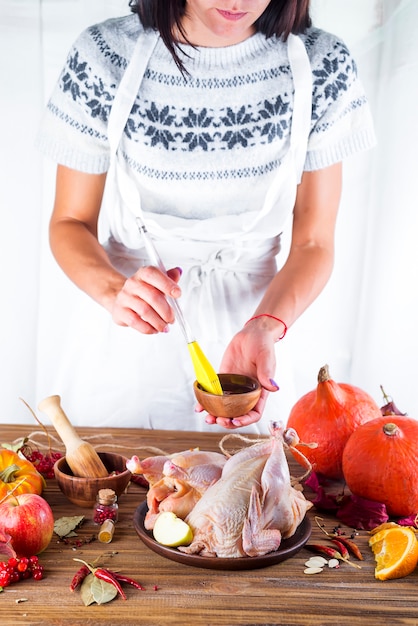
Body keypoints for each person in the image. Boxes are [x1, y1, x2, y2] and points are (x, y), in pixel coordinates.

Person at [36, 1, 375, 432]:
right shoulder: (104, 53)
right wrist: (115, 291)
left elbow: (315, 242)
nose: (239, 2)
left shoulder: (323, 64)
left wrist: (266, 327)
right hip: (129, 340)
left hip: (255, 334)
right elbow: (69, 222)